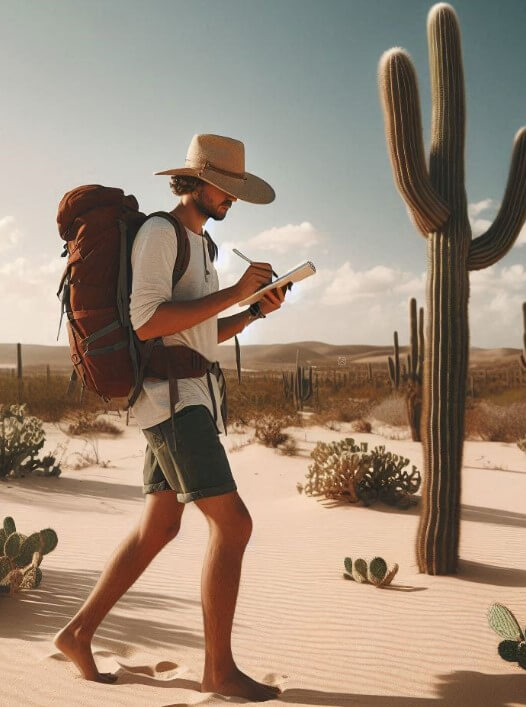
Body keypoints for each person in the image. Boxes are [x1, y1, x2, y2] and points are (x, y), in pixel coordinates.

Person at [54, 134, 288, 702]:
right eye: (225, 188)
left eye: (237, 191)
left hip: (192, 395)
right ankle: (219, 672)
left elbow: (200, 333)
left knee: (159, 526)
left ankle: (78, 633)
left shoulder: (202, 246)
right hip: (170, 402)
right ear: (195, 181)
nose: (231, 199)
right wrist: (233, 291)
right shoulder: (160, 234)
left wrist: (253, 309)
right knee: (234, 525)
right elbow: (146, 323)